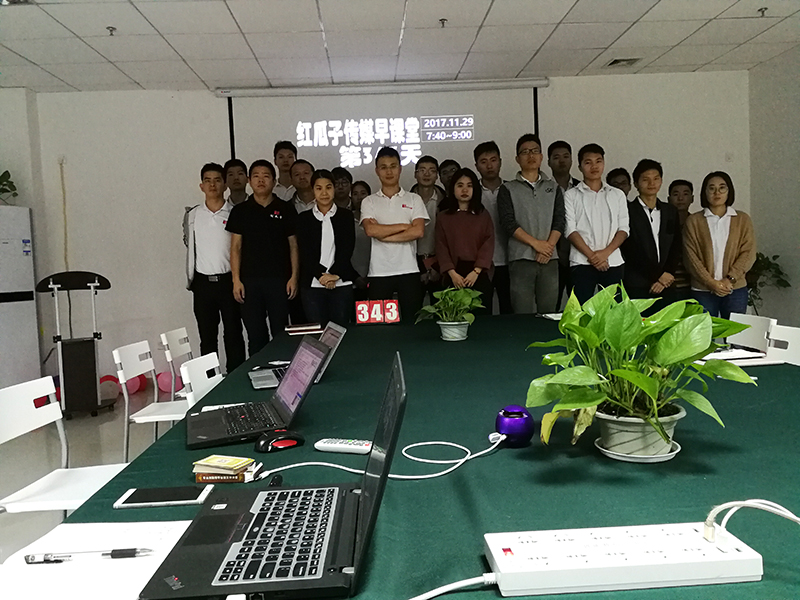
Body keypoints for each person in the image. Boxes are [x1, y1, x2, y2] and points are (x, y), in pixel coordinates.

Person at [226, 159, 299, 355]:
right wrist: (236, 280)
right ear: (249, 180)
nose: (261, 180)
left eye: (266, 176)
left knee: (281, 332)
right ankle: (258, 370)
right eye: (256, 176)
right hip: (249, 282)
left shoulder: (285, 208)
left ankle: (282, 368)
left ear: (274, 181)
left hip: (279, 280)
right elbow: (235, 248)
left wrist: (293, 277)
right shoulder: (240, 211)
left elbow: (293, 246)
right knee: (256, 335)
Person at [183, 163, 246, 373]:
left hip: (229, 281)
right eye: (207, 180)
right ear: (201, 186)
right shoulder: (192, 215)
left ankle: (235, 376)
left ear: (225, 185)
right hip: (202, 284)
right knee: (207, 336)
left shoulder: (235, 213)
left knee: (234, 333)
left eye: (217, 180)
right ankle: (210, 381)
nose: (212, 185)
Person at [497, 134, 565, 314]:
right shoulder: (507, 188)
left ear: (541, 156)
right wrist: (536, 245)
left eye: (535, 151)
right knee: (522, 313)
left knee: (549, 312)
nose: (531, 155)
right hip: (521, 259)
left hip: (549, 258)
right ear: (517, 159)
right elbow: (508, 223)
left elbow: (559, 220)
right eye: (525, 152)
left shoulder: (554, 187)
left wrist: (548, 248)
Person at [360, 147, 428, 322]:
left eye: (393, 166)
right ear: (377, 171)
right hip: (378, 273)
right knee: (378, 326)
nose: (389, 171)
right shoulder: (369, 201)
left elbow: (418, 231)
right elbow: (371, 230)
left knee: (412, 324)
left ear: (400, 168)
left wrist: (383, 234)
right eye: (383, 167)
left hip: (409, 270)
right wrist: (405, 226)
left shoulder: (414, 199)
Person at [683, 171, 755, 319]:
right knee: (705, 332)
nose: (717, 193)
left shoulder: (742, 219)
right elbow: (690, 257)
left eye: (722, 188)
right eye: (711, 188)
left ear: (729, 191)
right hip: (702, 291)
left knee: (735, 332)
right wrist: (711, 283)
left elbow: (748, 253)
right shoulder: (694, 221)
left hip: (735, 289)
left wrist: (730, 279)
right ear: (705, 192)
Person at [564, 144, 629, 305]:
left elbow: (623, 229)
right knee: (581, 310)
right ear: (580, 166)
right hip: (582, 262)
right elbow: (570, 230)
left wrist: (605, 253)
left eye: (598, 161)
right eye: (588, 162)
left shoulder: (617, 194)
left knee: (614, 311)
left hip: (613, 261)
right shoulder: (571, 195)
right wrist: (593, 257)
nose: (594, 166)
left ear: (604, 163)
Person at [295, 170, 358, 326]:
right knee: (317, 332)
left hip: (340, 282)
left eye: (328, 187)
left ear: (334, 189)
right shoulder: (304, 219)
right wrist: (321, 276)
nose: (324, 193)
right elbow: (305, 252)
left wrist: (334, 274)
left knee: (340, 330)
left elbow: (347, 248)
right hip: (313, 284)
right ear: (312, 190)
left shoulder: (345, 216)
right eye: (319, 188)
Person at [620, 159, 682, 310]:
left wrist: (667, 275)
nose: (651, 183)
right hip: (638, 284)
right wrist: (657, 275)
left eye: (656, 178)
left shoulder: (670, 211)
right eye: (645, 179)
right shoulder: (627, 211)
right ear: (636, 184)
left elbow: (676, 246)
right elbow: (630, 249)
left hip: (666, 284)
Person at [435, 168, 494, 314]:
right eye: (460, 185)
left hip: (478, 274)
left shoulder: (483, 215)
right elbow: (441, 247)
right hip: (453, 274)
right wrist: (452, 273)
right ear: (453, 189)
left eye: (469, 186)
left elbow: (488, 243)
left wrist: (476, 271)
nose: (465, 190)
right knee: (454, 317)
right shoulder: (443, 217)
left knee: (482, 319)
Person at [474, 140, 512, 314]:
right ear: (476, 166)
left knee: (509, 309)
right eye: (483, 161)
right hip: (481, 263)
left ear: (500, 162)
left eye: (493, 160)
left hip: (510, 260)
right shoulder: (472, 193)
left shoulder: (512, 189)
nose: (489, 166)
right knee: (482, 311)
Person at [548, 140, 580, 309]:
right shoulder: (544, 189)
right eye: (556, 157)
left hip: (579, 254)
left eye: (566, 156)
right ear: (548, 162)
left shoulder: (582, 188)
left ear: (572, 160)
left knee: (580, 305)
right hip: (552, 255)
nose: (562, 161)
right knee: (552, 305)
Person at [410, 155, 445, 305]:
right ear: (415, 174)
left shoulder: (446, 202)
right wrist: (421, 267)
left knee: (441, 312)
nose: (426, 174)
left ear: (437, 175)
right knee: (413, 311)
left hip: (440, 265)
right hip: (413, 265)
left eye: (431, 170)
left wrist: (437, 266)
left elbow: (450, 239)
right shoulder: (406, 201)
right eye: (422, 170)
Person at [668, 179, 695, 299]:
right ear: (669, 199)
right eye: (675, 194)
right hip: (667, 284)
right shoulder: (662, 223)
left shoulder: (697, 224)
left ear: (692, 198)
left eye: (685, 194)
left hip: (693, 284)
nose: (680, 198)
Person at [350, 181, 372, 300]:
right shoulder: (346, 220)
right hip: (352, 278)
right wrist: (355, 277)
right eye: (355, 194)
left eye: (363, 193)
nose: (359, 197)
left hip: (375, 276)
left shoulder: (377, 219)